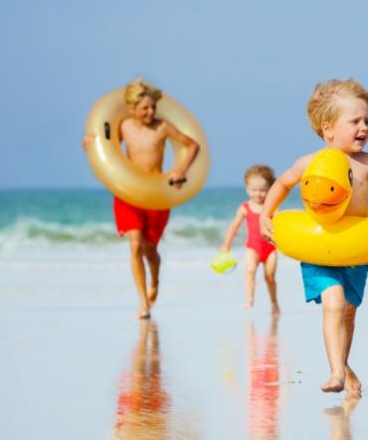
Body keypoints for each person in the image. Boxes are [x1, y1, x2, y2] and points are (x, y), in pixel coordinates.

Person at [260, 78, 368, 396]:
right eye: (354, 121)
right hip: (318, 245)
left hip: (356, 247)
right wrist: (265, 215)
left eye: (367, 120)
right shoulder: (310, 163)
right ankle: (336, 374)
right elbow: (283, 184)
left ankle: (344, 367)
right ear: (328, 129)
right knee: (334, 302)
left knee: (348, 312)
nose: (364, 127)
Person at [84, 78, 199, 319]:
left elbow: (192, 145)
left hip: (156, 194)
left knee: (150, 250)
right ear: (131, 109)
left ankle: (154, 279)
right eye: (145, 108)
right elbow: (107, 147)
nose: (150, 112)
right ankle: (143, 301)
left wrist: (181, 171)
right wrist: (91, 146)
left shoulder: (163, 127)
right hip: (128, 193)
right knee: (135, 243)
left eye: (152, 107)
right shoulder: (124, 126)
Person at [220, 165, 280, 315]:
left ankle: (274, 302)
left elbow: (280, 226)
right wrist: (226, 244)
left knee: (270, 277)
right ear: (247, 188)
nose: (258, 194)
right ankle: (249, 299)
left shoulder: (272, 208)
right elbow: (234, 227)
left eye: (263, 190)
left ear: (270, 189)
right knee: (250, 269)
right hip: (252, 247)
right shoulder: (244, 207)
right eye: (254, 190)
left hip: (270, 249)